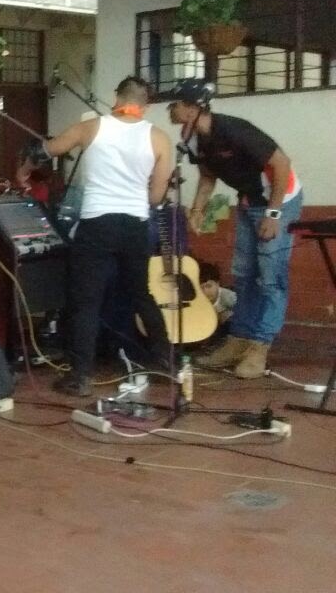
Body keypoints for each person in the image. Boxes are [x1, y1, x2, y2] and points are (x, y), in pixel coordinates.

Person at [17, 76, 174, 397]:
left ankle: (81, 377)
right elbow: (157, 196)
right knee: (141, 294)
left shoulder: (91, 128)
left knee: (86, 301)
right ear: (146, 105)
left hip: (96, 223)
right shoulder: (160, 139)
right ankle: (164, 362)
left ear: (117, 97)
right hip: (134, 225)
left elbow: (47, 149)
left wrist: (25, 169)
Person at [166, 78, 304, 379]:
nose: (170, 109)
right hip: (248, 200)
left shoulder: (234, 129)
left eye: (175, 104)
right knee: (244, 273)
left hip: (279, 199)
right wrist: (198, 209)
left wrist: (273, 214)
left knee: (270, 277)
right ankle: (238, 339)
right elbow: (207, 175)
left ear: (192, 108)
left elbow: (282, 164)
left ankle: (259, 345)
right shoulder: (190, 137)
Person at [198, 260, 237, 337]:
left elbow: (243, 312)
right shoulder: (196, 299)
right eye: (201, 288)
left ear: (217, 284)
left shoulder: (228, 297)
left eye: (209, 286)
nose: (205, 291)